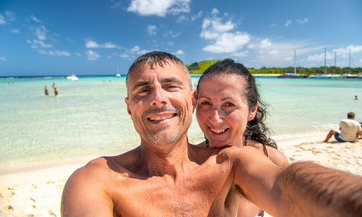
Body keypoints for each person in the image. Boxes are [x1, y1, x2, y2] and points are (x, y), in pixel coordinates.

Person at [61, 51, 362, 217]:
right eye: (143, 90)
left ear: (191, 101)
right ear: (130, 108)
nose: (157, 98)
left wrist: (353, 199)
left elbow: (289, 186)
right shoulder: (97, 180)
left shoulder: (231, 164)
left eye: (170, 85)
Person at [196, 59, 289, 217]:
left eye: (228, 104)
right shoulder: (188, 163)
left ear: (252, 110)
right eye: (205, 103)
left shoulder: (273, 160)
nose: (215, 118)